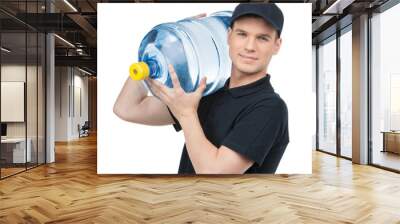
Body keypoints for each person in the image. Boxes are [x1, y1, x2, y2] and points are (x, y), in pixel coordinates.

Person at [113, 3, 289, 174]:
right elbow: (127, 108)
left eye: (262, 38)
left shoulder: (270, 108)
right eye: (242, 34)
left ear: (277, 45)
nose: (250, 47)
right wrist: (156, 55)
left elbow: (214, 173)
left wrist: (186, 114)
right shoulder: (206, 91)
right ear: (228, 36)